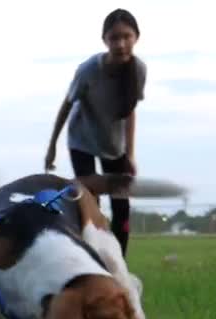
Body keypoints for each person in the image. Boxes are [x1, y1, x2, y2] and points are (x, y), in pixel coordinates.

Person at [44, 8, 145, 257]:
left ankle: (119, 263)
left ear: (136, 37)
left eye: (126, 36)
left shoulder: (138, 70)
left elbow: (130, 111)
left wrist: (130, 154)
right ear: (104, 40)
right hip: (83, 141)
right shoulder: (89, 70)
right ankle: (92, 258)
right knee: (90, 204)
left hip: (114, 145)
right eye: (114, 38)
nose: (120, 44)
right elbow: (67, 105)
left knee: (121, 207)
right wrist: (52, 146)